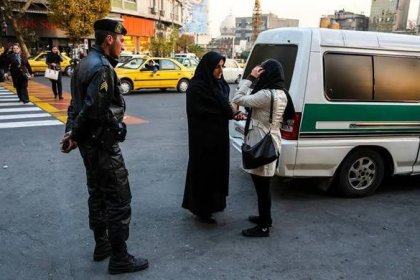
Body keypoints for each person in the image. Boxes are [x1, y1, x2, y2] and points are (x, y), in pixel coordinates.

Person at [60, 19, 148, 275]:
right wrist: (75, 133)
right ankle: (120, 257)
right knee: (119, 200)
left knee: (97, 195)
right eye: (121, 40)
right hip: (103, 146)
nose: (123, 45)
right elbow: (92, 109)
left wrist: (72, 133)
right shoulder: (102, 68)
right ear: (109, 39)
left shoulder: (83, 64)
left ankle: (102, 245)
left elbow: (74, 106)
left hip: (89, 145)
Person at [232, 59, 295, 237]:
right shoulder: (283, 93)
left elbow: (237, 98)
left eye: (262, 71)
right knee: (263, 185)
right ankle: (264, 218)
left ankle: (264, 226)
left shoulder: (266, 95)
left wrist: (250, 78)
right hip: (272, 139)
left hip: (260, 141)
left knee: (262, 187)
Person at [182, 51, 245, 224]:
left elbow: (225, 105)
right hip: (203, 140)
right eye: (217, 67)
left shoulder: (219, 85)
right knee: (204, 173)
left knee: (217, 171)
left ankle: (214, 205)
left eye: (222, 67)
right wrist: (228, 114)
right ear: (208, 67)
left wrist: (234, 113)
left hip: (219, 137)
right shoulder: (196, 88)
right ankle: (202, 210)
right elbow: (201, 112)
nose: (220, 70)